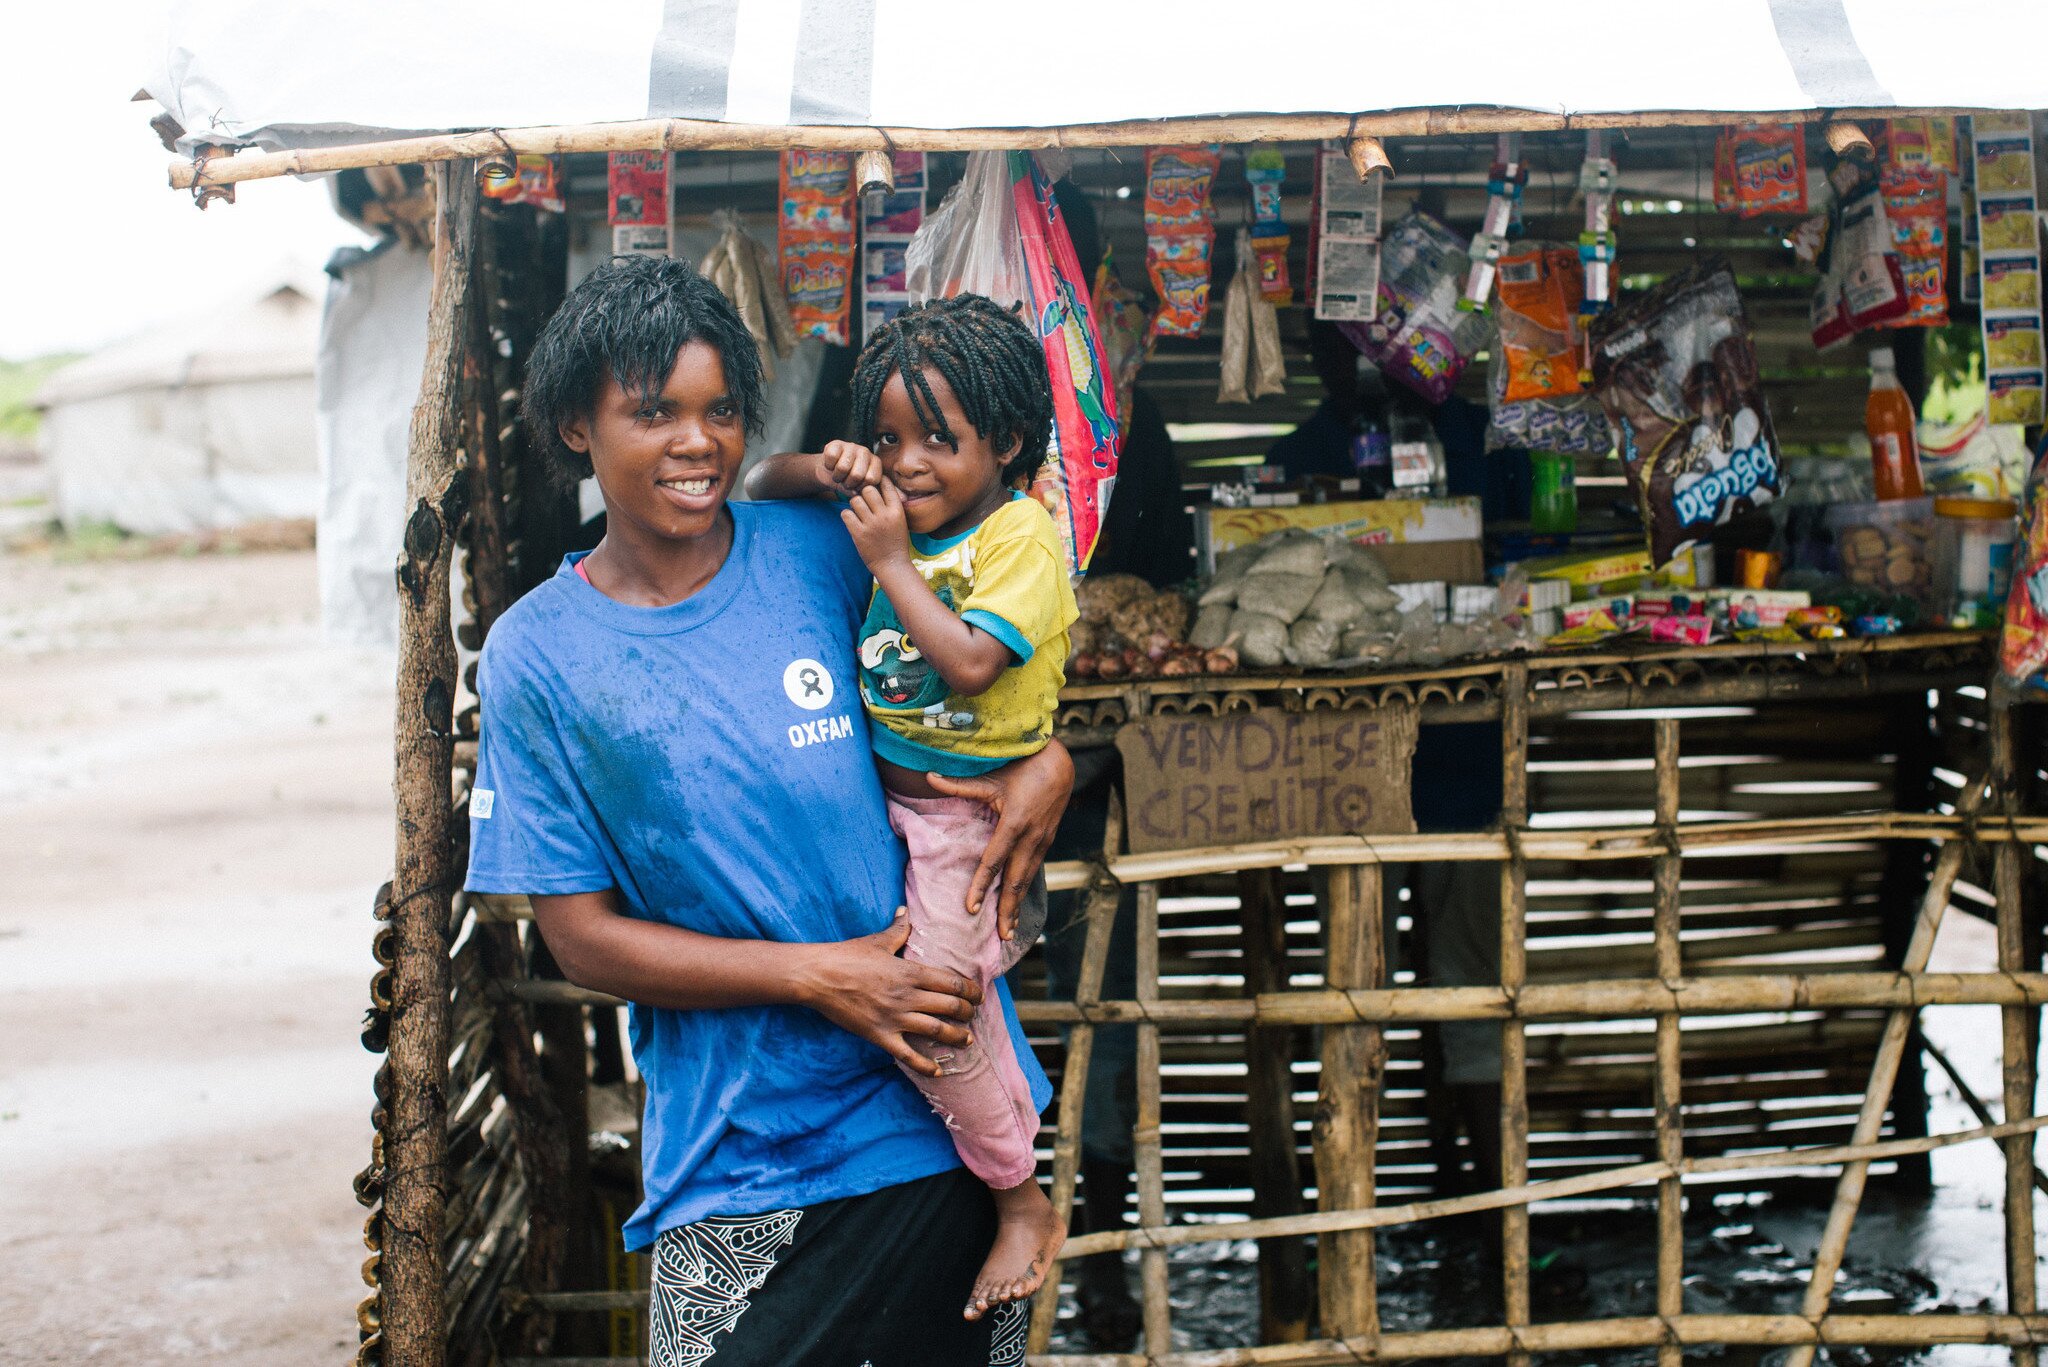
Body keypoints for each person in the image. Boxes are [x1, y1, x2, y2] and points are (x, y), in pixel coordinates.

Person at [465, 255, 1076, 1365]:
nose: (694, 442)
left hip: (934, 1128)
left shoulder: (822, 550)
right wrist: (821, 974)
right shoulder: (538, 655)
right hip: (739, 1153)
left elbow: (967, 680)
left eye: (722, 410)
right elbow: (578, 935)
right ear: (574, 426)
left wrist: (1051, 763)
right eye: (651, 412)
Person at [746, 293, 1078, 1316]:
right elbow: (758, 480)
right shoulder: (894, 504)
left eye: (940, 439)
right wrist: (831, 464)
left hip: (963, 821)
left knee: (933, 1008)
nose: (910, 463)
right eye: (891, 438)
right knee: (944, 996)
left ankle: (1018, 1196)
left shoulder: (1018, 535)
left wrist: (890, 559)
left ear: (1007, 441)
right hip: (884, 800)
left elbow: (975, 664)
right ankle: (1005, 1136)